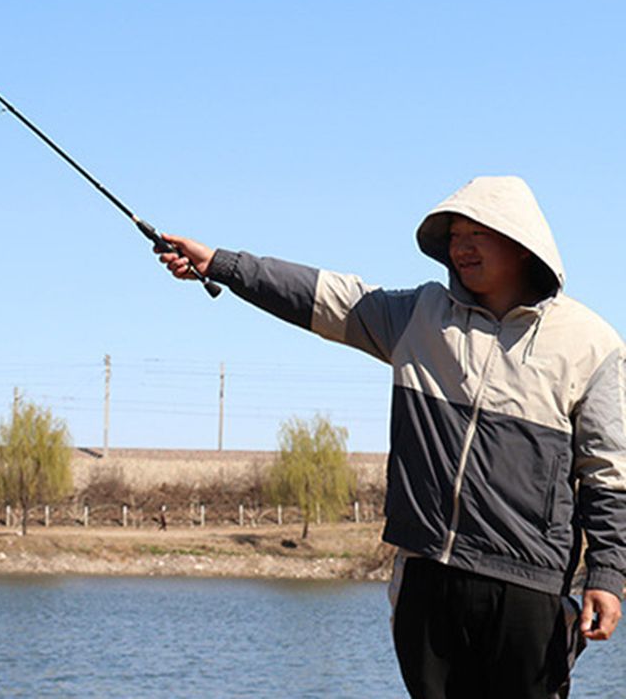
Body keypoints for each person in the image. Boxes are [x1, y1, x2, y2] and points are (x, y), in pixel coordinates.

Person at [159, 176, 626, 698]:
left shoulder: (592, 343)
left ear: (521, 243)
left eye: (479, 234)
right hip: (427, 575)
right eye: (454, 236)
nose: (462, 247)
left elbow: (607, 475)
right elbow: (324, 296)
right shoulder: (418, 316)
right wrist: (220, 263)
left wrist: (606, 576)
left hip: (529, 586)